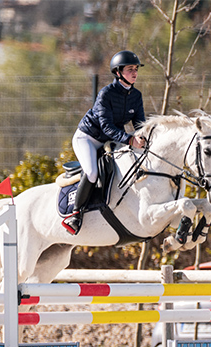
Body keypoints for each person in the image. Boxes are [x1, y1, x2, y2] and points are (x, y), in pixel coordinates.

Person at [62, 50, 147, 235]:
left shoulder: (136, 95)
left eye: (136, 69)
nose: (134, 73)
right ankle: (76, 215)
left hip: (110, 140)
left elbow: (140, 124)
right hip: (88, 138)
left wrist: (146, 137)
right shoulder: (106, 94)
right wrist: (130, 139)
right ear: (118, 72)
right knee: (92, 172)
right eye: (130, 69)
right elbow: (107, 127)